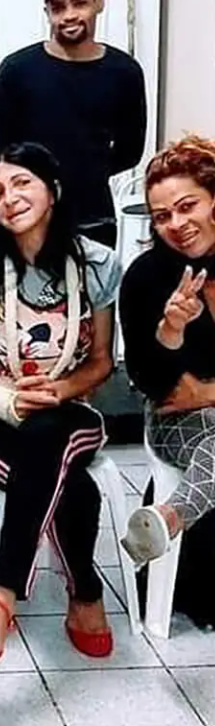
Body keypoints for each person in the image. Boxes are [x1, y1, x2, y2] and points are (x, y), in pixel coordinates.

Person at [0, 142, 120, 667]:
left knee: (48, 434)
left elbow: (102, 361)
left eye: (22, 182)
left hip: (68, 412)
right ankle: (85, 591)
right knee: (72, 483)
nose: (9, 198)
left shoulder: (97, 264)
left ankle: (0, 592)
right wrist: (9, 402)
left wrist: (60, 391)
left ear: (54, 191)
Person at [0, 0, 147, 247]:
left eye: (80, 3)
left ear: (99, 3)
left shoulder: (124, 72)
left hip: (93, 220)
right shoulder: (17, 71)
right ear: (47, 13)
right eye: (58, 7)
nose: (69, 15)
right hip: (26, 223)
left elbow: (130, 151)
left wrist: (87, 170)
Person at [119, 135, 215, 564]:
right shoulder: (146, 277)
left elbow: (198, 392)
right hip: (177, 420)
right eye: (162, 216)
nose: (176, 223)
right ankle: (169, 521)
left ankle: (168, 518)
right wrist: (171, 329)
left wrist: (209, 392)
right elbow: (155, 384)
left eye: (187, 206)